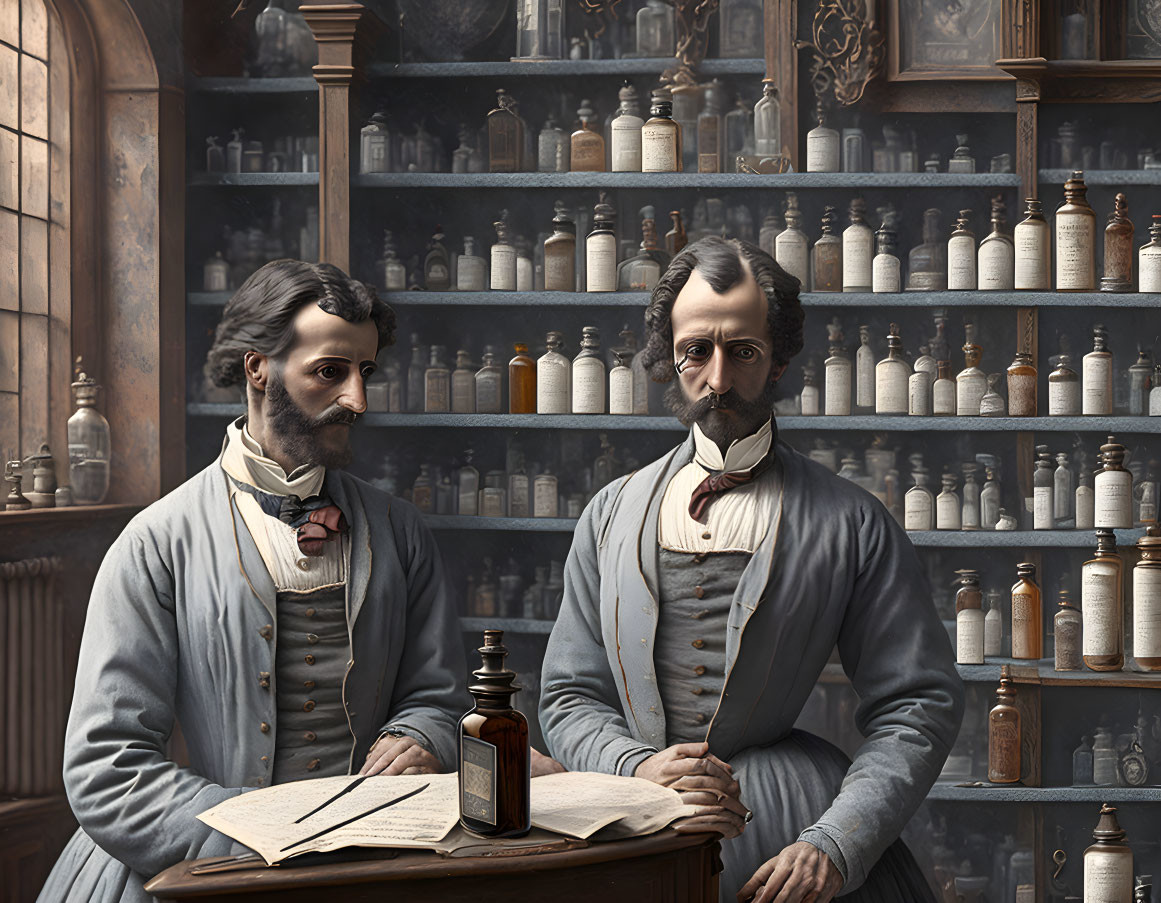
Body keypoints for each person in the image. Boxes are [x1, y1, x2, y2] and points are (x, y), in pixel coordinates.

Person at [539, 237, 964, 903]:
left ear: (777, 361)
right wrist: (637, 765)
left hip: (793, 815)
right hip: (631, 817)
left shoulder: (850, 520)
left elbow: (919, 703)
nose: (716, 378)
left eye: (742, 351)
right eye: (695, 352)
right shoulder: (608, 514)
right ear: (666, 358)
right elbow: (569, 696)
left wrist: (835, 841)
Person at [39, 260, 466, 903]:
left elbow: (441, 696)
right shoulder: (157, 543)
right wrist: (261, 833)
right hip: (214, 868)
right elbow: (107, 768)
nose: (358, 399)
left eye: (365, 372)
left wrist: (422, 734)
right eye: (330, 372)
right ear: (257, 367)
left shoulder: (401, 532)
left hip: (380, 861)